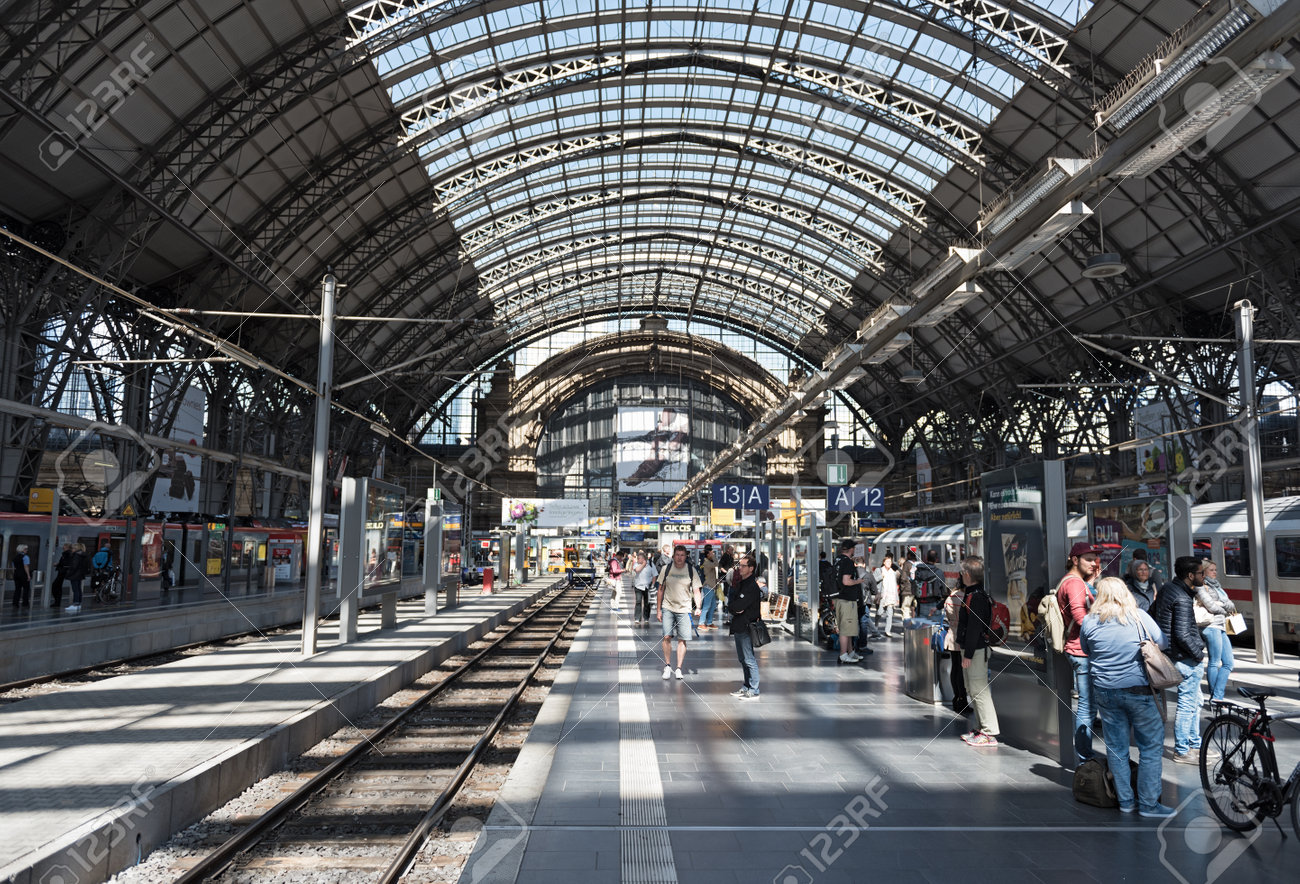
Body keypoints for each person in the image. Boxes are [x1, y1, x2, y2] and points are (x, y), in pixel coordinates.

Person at [1079, 576, 1174, 817]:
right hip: (1140, 691)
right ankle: (1149, 805)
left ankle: (1125, 801)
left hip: (1106, 692)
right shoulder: (1139, 617)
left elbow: (1086, 650)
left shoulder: (1089, 621)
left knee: (1116, 748)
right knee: (1150, 749)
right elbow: (1161, 643)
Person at [1150, 556, 1210, 764]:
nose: (1205, 576)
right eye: (1202, 573)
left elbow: (1151, 613)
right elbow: (1183, 634)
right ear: (1190, 575)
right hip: (1185, 658)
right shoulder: (1183, 599)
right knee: (1187, 705)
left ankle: (1194, 744)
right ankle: (1183, 750)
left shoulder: (1168, 589)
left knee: (1196, 701)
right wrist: (1198, 654)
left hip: (1173, 654)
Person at [1059, 541, 1101, 764]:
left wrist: (1091, 582)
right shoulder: (1074, 583)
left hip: (1078, 649)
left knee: (1088, 704)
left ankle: (1085, 754)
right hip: (1081, 650)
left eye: (1095, 559)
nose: (1094, 563)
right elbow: (1081, 618)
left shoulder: (1075, 582)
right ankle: (1085, 757)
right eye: (1088, 559)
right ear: (1074, 560)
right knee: (1087, 705)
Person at [956, 556, 999, 746]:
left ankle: (989, 732)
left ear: (967, 574)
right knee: (973, 690)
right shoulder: (973, 593)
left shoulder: (977, 597)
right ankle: (981, 728)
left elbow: (974, 627)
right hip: (973, 650)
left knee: (980, 691)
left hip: (976, 651)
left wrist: (968, 654)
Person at [656, 545, 702, 680]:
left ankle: (679, 668)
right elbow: (660, 590)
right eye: (677, 555)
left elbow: (696, 591)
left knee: (683, 639)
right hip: (668, 607)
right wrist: (658, 610)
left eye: (682, 555)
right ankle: (668, 665)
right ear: (673, 556)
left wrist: (698, 606)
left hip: (684, 609)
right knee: (666, 637)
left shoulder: (691, 570)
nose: (680, 557)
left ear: (686, 556)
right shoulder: (666, 569)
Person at [1196, 559, 1236, 703]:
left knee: (1229, 663)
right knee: (1214, 662)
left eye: (1215, 570)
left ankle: (1216, 696)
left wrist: (1221, 605)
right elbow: (1210, 606)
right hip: (1210, 626)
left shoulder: (1218, 586)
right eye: (1211, 570)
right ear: (1204, 571)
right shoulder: (1200, 586)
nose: (1215, 572)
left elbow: (1231, 604)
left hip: (1221, 626)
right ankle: (1217, 698)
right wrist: (1223, 608)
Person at [828, 538, 870, 664]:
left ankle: (850, 652)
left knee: (849, 627)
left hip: (839, 598)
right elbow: (846, 581)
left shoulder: (837, 560)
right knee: (846, 628)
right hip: (846, 599)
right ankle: (843, 654)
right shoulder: (847, 562)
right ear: (851, 549)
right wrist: (858, 581)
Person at [728, 553, 764, 699]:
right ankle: (747, 685)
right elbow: (732, 606)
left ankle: (754, 689)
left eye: (743, 566)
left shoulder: (751, 587)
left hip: (747, 626)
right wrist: (734, 607)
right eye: (739, 565)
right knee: (743, 659)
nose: (740, 568)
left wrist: (734, 607)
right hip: (738, 625)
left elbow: (739, 606)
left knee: (749, 659)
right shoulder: (741, 583)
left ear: (751, 568)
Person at [943, 580, 970, 715]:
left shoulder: (949, 598)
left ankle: (956, 697)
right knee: (961, 671)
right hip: (961, 636)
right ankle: (963, 700)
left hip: (951, 634)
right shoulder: (963, 598)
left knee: (955, 668)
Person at [874, 553, 900, 637]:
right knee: (879, 612)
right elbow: (873, 580)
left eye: (890, 562)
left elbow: (895, 585)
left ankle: (887, 630)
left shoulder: (893, 572)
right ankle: (876, 627)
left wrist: (896, 597)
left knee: (890, 613)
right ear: (884, 562)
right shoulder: (879, 570)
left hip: (891, 596)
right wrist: (881, 576)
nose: (889, 563)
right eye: (887, 561)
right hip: (882, 596)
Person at [632, 550, 657, 625]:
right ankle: (637, 618)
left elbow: (654, 575)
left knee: (647, 603)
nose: (637, 560)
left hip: (647, 586)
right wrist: (643, 564)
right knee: (638, 602)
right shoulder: (636, 564)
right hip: (638, 586)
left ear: (643, 558)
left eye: (639, 558)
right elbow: (637, 570)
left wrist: (652, 584)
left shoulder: (651, 565)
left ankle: (646, 617)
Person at [699, 547, 720, 629]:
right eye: (711, 553)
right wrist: (714, 557)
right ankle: (701, 623)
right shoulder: (706, 562)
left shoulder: (708, 561)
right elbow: (716, 564)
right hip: (708, 586)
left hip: (712, 586)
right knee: (707, 605)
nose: (713, 554)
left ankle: (709, 622)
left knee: (713, 605)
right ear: (707, 555)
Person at [65, 542, 88, 613]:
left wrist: (68, 573)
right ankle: (78, 604)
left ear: (76, 548)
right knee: (78, 589)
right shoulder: (83, 555)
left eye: (72, 548)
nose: (71, 549)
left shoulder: (76, 555)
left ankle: (75, 604)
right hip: (80, 574)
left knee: (75, 589)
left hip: (75, 575)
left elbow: (74, 566)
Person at [10, 543, 32, 608]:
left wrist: (15, 574)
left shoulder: (15, 558)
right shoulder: (26, 557)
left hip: (16, 575)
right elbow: (26, 567)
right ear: (22, 550)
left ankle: (15, 603)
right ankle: (25, 603)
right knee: (26, 589)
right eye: (25, 549)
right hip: (23, 575)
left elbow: (13, 568)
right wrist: (28, 575)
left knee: (17, 589)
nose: (27, 550)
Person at [52, 542, 73, 607]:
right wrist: (58, 564)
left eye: (64, 546)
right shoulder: (66, 554)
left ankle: (57, 602)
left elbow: (65, 563)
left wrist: (59, 564)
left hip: (62, 571)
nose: (63, 547)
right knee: (58, 586)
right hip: (62, 571)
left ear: (67, 547)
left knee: (55, 586)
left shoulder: (67, 554)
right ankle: (57, 602)